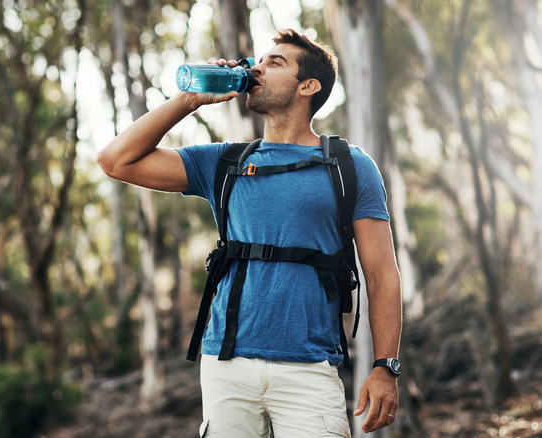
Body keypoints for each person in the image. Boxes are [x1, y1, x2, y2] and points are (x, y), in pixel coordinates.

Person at [97, 28, 402, 437]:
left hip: (309, 368)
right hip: (225, 365)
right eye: (258, 60)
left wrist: (385, 366)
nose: (256, 68)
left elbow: (382, 273)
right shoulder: (222, 162)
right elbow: (115, 161)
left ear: (307, 86)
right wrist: (188, 100)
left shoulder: (348, 166)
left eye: (274, 63)